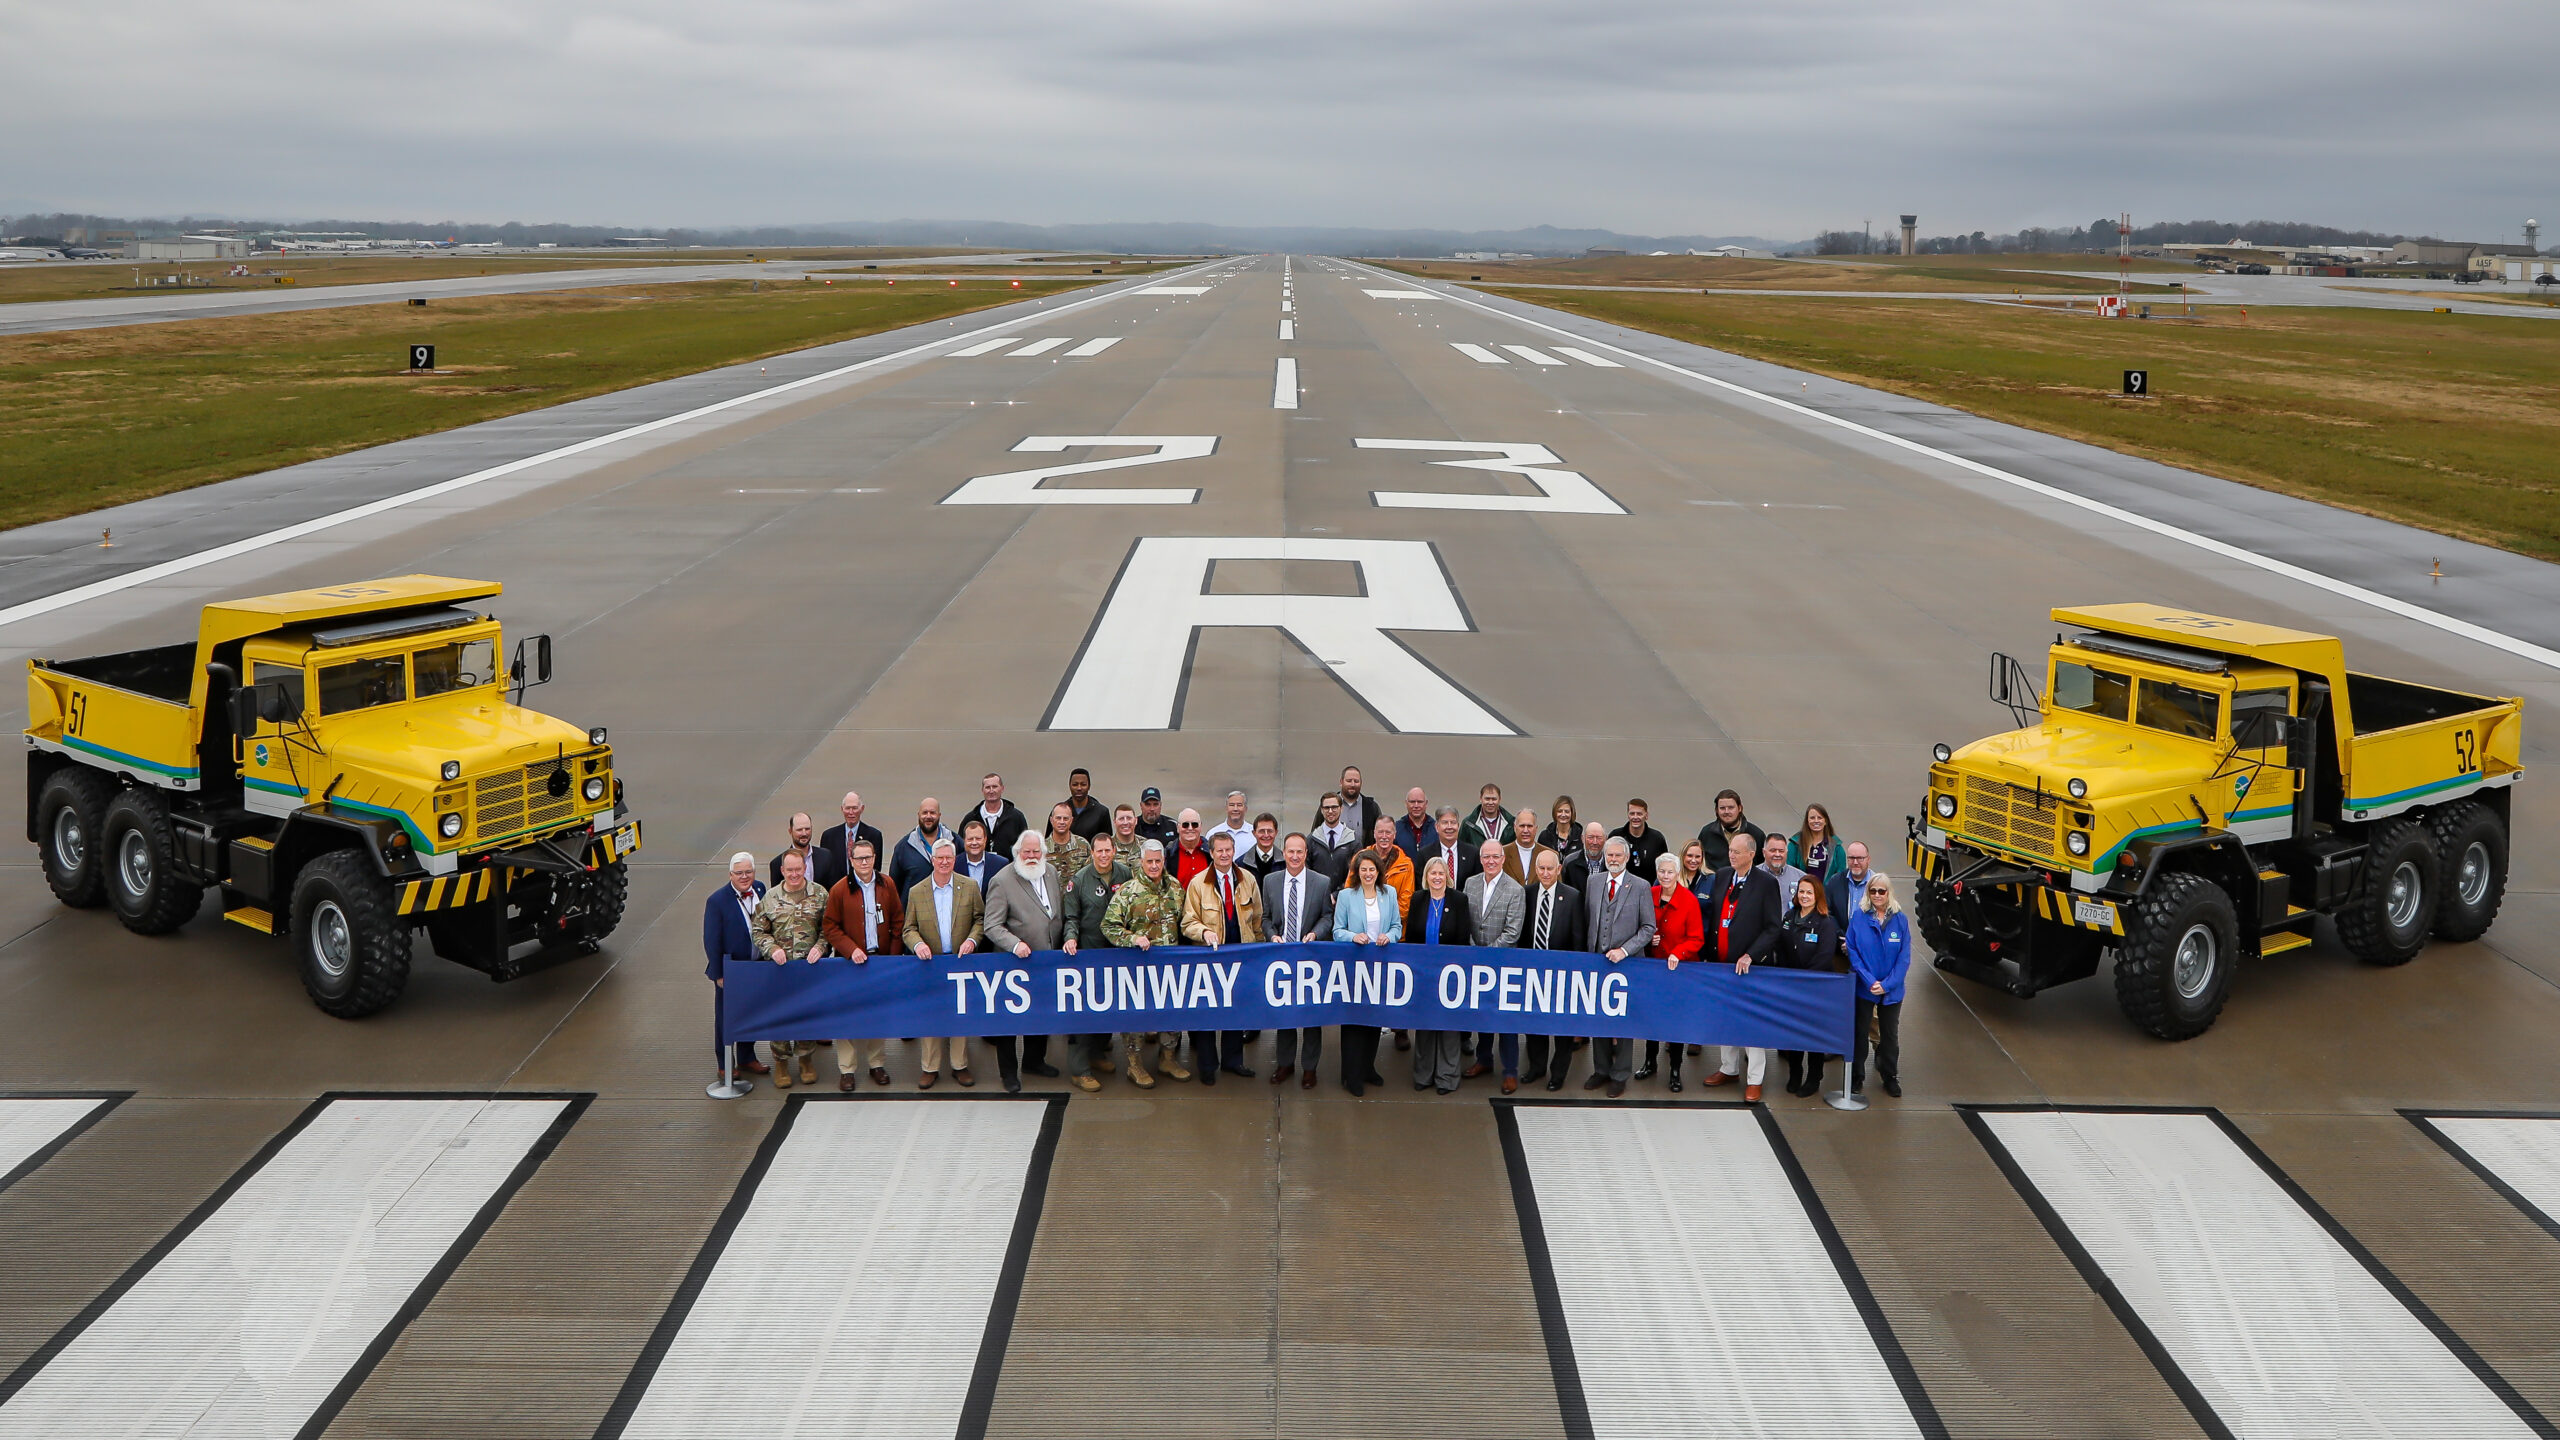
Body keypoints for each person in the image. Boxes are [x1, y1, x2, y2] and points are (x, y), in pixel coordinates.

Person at [1698, 833, 1785, 1100]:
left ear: (1751, 854)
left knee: (1750, 1023)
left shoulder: (1766, 883)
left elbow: (1773, 927)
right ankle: (1729, 1068)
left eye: (1737, 852)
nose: (1731, 855)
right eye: (1730, 851)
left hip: (1750, 968)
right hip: (1721, 964)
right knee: (1725, 1019)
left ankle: (1755, 1078)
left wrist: (1751, 955)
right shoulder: (1723, 875)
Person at [983, 830, 1069, 1093]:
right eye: (1026, 852)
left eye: (1036, 852)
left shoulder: (1051, 873)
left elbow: (1057, 913)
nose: (1031, 857)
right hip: (1014, 965)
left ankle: (1034, 1061)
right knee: (1009, 1023)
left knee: (1040, 1016)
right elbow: (992, 925)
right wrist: (1015, 944)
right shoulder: (1002, 880)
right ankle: (1009, 1073)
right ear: (1017, 853)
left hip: (1046, 961)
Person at [1101, 840, 1193, 1085]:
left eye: (1158, 861)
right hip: (1138, 969)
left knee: (1171, 1013)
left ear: (1164, 861)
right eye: (1149, 861)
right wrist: (1132, 938)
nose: (1154, 866)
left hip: (1170, 968)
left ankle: (1168, 1058)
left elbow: (1186, 920)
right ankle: (1135, 1065)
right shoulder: (1128, 891)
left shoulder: (1175, 887)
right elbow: (1108, 925)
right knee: (1137, 1018)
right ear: (1141, 861)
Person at [1180, 831, 1263, 1082]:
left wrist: (1259, 950)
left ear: (1233, 850)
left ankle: (1233, 1061)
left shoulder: (1248, 879)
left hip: (1241, 959)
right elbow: (1187, 921)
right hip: (1208, 959)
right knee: (1207, 1014)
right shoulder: (1198, 884)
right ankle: (1207, 1067)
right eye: (1220, 851)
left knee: (1236, 1012)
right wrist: (1203, 931)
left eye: (1228, 850)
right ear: (1212, 853)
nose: (1225, 855)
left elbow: (1257, 919)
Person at [822, 838, 904, 1090]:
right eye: (859, 858)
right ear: (851, 860)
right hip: (850, 964)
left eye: (868, 857)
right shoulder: (839, 890)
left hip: (879, 962)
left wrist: (891, 957)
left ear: (875, 858)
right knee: (847, 1016)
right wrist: (850, 950)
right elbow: (829, 926)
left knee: (876, 1015)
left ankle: (876, 1063)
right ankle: (847, 1069)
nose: (865, 862)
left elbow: (898, 922)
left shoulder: (887, 884)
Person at [901, 839, 983, 1089]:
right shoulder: (917, 891)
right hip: (930, 964)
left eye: (949, 857)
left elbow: (980, 919)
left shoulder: (969, 887)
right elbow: (908, 929)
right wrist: (918, 945)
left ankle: (960, 1065)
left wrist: (971, 940)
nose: (945, 862)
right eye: (940, 858)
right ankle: (930, 1067)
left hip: (959, 962)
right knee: (931, 1015)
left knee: (959, 1015)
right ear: (932, 861)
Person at [1580, 837, 1656, 1098]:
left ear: (1625, 858)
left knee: (1623, 1021)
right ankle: (1601, 1070)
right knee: (1598, 1018)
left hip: (1628, 964)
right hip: (1597, 963)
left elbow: (1648, 928)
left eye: (1617, 856)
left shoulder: (1641, 886)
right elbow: (1589, 919)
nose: (1612, 860)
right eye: (1609, 856)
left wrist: (1624, 950)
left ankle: (1620, 1074)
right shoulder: (1594, 882)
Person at [751, 850, 831, 1089]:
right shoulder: (770, 898)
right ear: (782, 871)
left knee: (807, 1014)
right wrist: (771, 948)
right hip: (780, 971)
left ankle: (806, 1059)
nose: (795, 874)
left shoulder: (820, 894)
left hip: (809, 970)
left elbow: (829, 928)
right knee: (781, 1015)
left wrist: (821, 946)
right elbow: (758, 931)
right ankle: (781, 1063)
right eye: (790, 870)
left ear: (804, 868)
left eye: (799, 869)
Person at [1261, 832, 1334, 1089]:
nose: (1294, 856)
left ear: (1306, 854)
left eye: (1299, 852)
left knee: (1311, 1016)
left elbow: (1327, 917)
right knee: (1285, 1015)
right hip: (1282, 958)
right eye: (1290, 852)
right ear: (1284, 853)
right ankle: (1285, 1064)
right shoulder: (1270, 881)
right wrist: (1272, 936)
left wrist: (1316, 933)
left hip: (1311, 959)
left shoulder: (1322, 882)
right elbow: (1266, 918)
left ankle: (1310, 1068)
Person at [1062, 835, 1131, 1089]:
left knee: (1109, 1006)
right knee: (1083, 1011)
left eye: (1107, 850)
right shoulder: (1079, 880)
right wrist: (1071, 939)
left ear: (1114, 851)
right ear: (1091, 852)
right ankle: (1080, 1069)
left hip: (1117, 952)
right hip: (1089, 953)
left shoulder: (1125, 874)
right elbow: (1072, 917)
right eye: (1098, 851)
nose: (1103, 855)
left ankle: (1098, 1053)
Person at [1330, 851, 1400, 1096]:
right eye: (1363, 870)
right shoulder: (1347, 896)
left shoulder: (1389, 894)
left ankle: (1368, 1068)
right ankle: (1351, 1075)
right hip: (1353, 967)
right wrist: (1353, 936)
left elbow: (1396, 927)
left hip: (1379, 966)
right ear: (1356, 873)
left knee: (1373, 1021)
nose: (1368, 874)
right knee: (1353, 1024)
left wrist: (1388, 937)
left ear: (1378, 871)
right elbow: (1337, 931)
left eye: (1372, 869)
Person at [1403, 857, 1474, 1094]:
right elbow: (1412, 936)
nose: (1436, 877)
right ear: (1426, 876)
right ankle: (1423, 1076)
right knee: (1424, 1026)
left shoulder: (1459, 900)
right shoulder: (1418, 899)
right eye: (1432, 873)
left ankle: (1447, 1077)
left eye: (1441, 873)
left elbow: (1464, 937)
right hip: (1423, 975)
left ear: (1447, 877)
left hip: (1450, 975)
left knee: (1448, 1028)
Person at [1773, 875, 1846, 1097]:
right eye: (1801, 892)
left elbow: (1824, 957)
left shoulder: (1825, 923)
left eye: (1809, 893)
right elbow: (1781, 948)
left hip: (1816, 988)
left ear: (1818, 897)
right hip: (1792, 988)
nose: (1804, 896)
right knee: (1793, 1034)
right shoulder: (1789, 917)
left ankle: (1814, 1077)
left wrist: (1803, 980)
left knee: (1813, 1035)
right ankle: (1795, 1074)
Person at [1635, 853, 1704, 1089]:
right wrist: (1648, 939)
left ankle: (1675, 1069)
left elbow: (1697, 938)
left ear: (1677, 874)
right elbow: (1641, 925)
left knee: (1675, 1021)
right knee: (1651, 1018)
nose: (1665, 876)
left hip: (1679, 970)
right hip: (1653, 969)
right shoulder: (1649, 894)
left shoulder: (1689, 900)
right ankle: (1649, 1062)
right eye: (1662, 871)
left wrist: (1679, 952)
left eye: (1670, 872)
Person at [1519, 849, 1586, 1092]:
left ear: (1559, 869)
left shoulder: (1573, 896)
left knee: (1561, 1027)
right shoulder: (1526, 894)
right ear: (1536, 870)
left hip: (1563, 974)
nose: (1546, 873)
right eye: (1541, 869)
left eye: (1550, 869)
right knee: (1535, 1023)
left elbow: (1578, 938)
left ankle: (1557, 1074)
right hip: (1533, 972)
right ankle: (1536, 1067)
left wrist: (1576, 972)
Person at [701, 852, 770, 1080]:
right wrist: (719, 974)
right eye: (739, 873)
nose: (744, 877)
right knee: (725, 1016)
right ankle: (725, 1063)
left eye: (748, 872)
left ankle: (747, 1056)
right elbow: (712, 940)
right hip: (732, 970)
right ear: (730, 874)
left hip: (757, 966)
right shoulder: (717, 901)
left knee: (752, 1012)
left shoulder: (760, 889)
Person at [1464, 839, 1526, 1090]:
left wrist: (1487, 954)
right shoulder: (1470, 883)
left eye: (1495, 857)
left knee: (1505, 1020)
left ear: (1503, 859)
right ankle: (1484, 1059)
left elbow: (1513, 932)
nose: (1490, 861)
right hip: (1475, 961)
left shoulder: (1515, 889)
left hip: (1503, 963)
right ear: (1481, 859)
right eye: (1486, 857)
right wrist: (1473, 952)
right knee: (1483, 1014)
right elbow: (1467, 922)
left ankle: (1510, 1070)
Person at [1844, 872, 1910, 1099]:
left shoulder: (1900, 920)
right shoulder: (1859, 917)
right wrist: (1870, 981)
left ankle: (1889, 1075)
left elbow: (1904, 958)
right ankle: (1856, 1077)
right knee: (1860, 1033)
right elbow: (1853, 951)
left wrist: (1888, 984)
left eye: (1882, 891)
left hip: (1892, 992)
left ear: (1889, 892)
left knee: (1889, 1035)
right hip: (1865, 988)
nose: (1877, 895)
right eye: (1873, 891)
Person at [889, 797, 953, 895]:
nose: (928, 816)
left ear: (939, 815)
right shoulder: (903, 847)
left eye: (932, 813)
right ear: (918, 815)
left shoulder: (954, 842)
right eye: (924, 813)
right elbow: (894, 886)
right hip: (914, 909)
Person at [817, 792, 883, 885]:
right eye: (847, 808)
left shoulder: (874, 835)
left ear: (862, 809)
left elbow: (875, 868)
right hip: (836, 889)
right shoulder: (829, 837)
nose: (851, 812)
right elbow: (825, 869)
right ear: (842, 809)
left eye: (855, 808)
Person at [770, 812, 843, 890]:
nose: (804, 833)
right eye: (799, 830)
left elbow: (834, 891)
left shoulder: (826, 857)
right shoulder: (778, 863)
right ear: (790, 831)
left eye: (807, 829)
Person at [1359, 814, 1415, 914]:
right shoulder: (1360, 858)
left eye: (1388, 832)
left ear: (1394, 835)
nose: (1384, 836)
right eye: (1380, 832)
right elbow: (1350, 890)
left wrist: (1385, 917)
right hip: (1363, 921)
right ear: (1374, 834)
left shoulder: (1406, 865)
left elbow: (1406, 902)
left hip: (1393, 924)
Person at [1698, 789, 1767, 864]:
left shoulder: (1756, 835)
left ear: (1740, 808)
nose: (1726, 811)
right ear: (1716, 810)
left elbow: (1763, 866)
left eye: (1731, 807)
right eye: (1722, 808)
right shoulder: (1706, 833)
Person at [971, 772, 1029, 859]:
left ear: (1002, 788)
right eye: (987, 787)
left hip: (1009, 869)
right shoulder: (971, 819)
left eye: (995, 787)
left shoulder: (1016, 817)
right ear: (982, 790)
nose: (991, 791)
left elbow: (1025, 846)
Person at [1788, 802, 1847, 887]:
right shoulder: (1795, 844)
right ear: (1807, 821)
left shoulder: (1836, 847)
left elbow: (1841, 875)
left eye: (1819, 818)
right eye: (1812, 818)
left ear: (1825, 821)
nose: (1816, 821)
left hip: (1826, 896)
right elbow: (1789, 870)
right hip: (1802, 895)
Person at [1308, 792, 1361, 885]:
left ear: (1341, 809)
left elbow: (1356, 873)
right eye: (1326, 808)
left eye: (1334, 807)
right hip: (1318, 896)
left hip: (1344, 896)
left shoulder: (1353, 840)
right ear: (1321, 810)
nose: (1330, 811)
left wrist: (1338, 894)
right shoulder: (1312, 840)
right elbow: (1307, 871)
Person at [1609, 799, 1669, 876]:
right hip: (1621, 887)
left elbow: (1665, 866)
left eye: (1639, 814)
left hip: (1649, 886)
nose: (1635, 817)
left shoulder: (1657, 839)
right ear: (1628, 815)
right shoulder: (1616, 836)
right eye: (1632, 813)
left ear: (1646, 816)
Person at [1826, 841, 1876, 921]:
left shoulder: (1878, 884)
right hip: (1841, 933)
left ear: (1868, 860)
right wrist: (1838, 932)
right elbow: (1827, 912)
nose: (1855, 862)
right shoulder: (1835, 882)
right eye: (1852, 858)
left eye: (1860, 858)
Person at [1332, 764, 1383, 839]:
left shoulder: (1371, 807)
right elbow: (1316, 834)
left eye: (1356, 781)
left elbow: (1381, 834)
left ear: (1361, 783)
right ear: (1341, 782)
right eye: (1349, 781)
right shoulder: (1328, 805)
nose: (1352, 784)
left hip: (1364, 850)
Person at [955, 816, 1005, 891]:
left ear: (985, 839)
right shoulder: (954, 864)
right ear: (964, 840)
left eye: (978, 839)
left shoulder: (1000, 864)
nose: (974, 843)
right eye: (970, 839)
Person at [1062, 767, 1113, 840]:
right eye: (1075, 784)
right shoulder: (1060, 812)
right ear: (1069, 786)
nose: (1079, 788)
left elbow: (1106, 843)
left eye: (1083, 784)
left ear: (1089, 786)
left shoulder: (1101, 812)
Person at [1042, 802, 1092, 877]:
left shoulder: (1083, 845)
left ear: (1071, 820)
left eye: (1065, 819)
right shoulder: (1042, 847)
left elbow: (1089, 874)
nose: (1062, 822)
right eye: (1058, 818)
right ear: (1051, 820)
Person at [1506, 808, 1554, 884]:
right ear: (1515, 828)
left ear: (1536, 828)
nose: (1525, 830)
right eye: (1522, 826)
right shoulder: (1502, 853)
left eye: (1529, 826)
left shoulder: (1550, 854)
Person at [1459, 783, 1509, 855]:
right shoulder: (1468, 823)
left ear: (1500, 799)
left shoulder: (1510, 823)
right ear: (1480, 799)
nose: (1490, 802)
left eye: (1494, 799)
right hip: (1477, 865)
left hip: (1504, 865)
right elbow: (1461, 849)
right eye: (1487, 799)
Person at [1171, 808, 1212, 889]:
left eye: (1194, 824)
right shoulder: (1169, 854)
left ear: (1201, 826)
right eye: (1185, 825)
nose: (1190, 828)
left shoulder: (1212, 852)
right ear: (1178, 828)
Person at [1394, 788, 1435, 867]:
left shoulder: (1436, 829)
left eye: (1420, 802)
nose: (1416, 805)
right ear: (1406, 803)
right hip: (1405, 877)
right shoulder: (1396, 828)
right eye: (1412, 802)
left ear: (1426, 804)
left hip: (1429, 877)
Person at [1563, 821, 1610, 891]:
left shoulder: (1611, 862)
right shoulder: (1570, 862)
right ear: (1582, 838)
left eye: (1599, 838)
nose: (1595, 842)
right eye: (1590, 837)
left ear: (1606, 839)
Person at [1759, 831, 1806, 902]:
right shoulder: (1752, 876)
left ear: (1786, 853)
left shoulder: (1801, 877)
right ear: (1764, 852)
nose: (1777, 854)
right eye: (1773, 850)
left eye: (1781, 851)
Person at [1133, 786, 1179, 858]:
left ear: (1160, 805)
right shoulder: (1133, 826)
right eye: (1148, 804)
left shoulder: (1173, 825)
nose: (1152, 809)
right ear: (1141, 806)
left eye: (1155, 804)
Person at [1206, 791, 1255, 856]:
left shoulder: (1255, 834)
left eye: (1239, 805)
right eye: (1232, 805)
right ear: (1226, 808)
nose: (1235, 809)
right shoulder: (1213, 833)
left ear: (1245, 809)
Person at [1237, 813, 1283, 881]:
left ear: (1276, 832)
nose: (1266, 835)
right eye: (1262, 831)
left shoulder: (1285, 862)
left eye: (1270, 831)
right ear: (1254, 833)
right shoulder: (1241, 863)